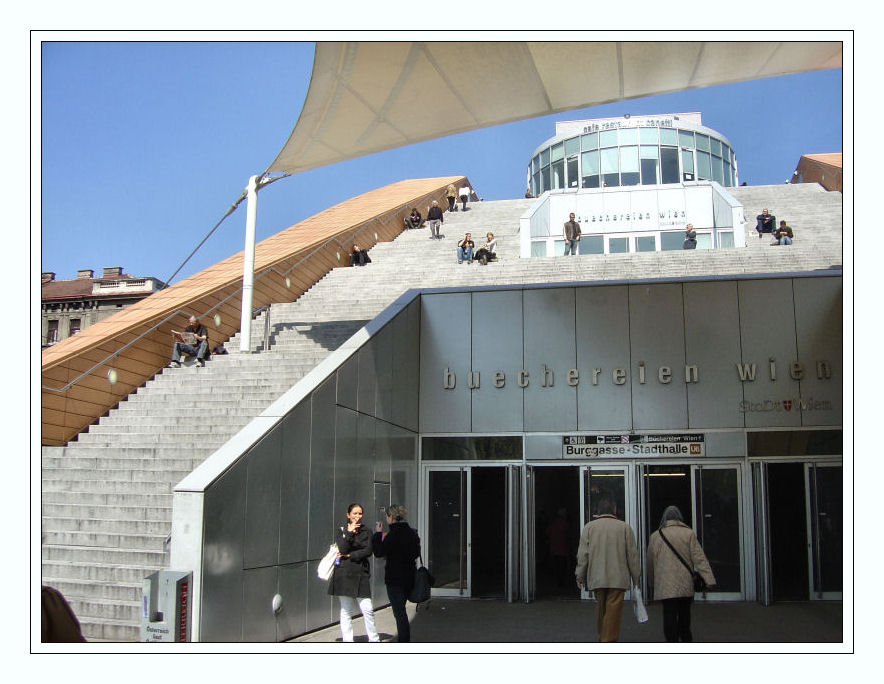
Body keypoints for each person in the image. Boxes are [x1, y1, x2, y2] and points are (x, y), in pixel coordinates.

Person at [575, 497, 641, 643]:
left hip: (597, 576)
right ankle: (607, 639)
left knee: (601, 608)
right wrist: (636, 578)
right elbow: (632, 556)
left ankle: (603, 635)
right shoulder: (624, 528)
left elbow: (583, 554)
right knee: (613, 609)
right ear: (615, 510)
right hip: (618, 577)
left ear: (598, 511)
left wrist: (580, 575)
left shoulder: (589, 528)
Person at [647, 505, 716, 643]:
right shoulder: (688, 533)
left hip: (665, 584)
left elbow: (650, 561)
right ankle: (685, 638)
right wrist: (709, 579)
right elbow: (699, 558)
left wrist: (652, 582)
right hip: (685, 582)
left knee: (668, 614)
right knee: (685, 614)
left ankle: (671, 640)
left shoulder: (656, 536)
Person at [328, 503, 379, 643]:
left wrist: (351, 555)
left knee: (367, 608)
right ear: (348, 515)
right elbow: (343, 549)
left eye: (360, 513)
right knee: (346, 610)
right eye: (355, 513)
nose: (358, 516)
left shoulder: (367, 531)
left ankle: (374, 639)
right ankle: (347, 640)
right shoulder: (342, 530)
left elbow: (368, 550)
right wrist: (349, 533)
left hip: (361, 572)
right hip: (344, 573)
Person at [372, 504, 421, 642]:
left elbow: (379, 552)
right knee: (401, 610)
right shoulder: (412, 533)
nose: (387, 519)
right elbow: (416, 553)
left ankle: (404, 641)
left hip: (394, 578)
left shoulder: (392, 534)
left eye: (387, 516)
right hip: (409, 576)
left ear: (391, 517)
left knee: (399, 613)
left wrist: (377, 534)